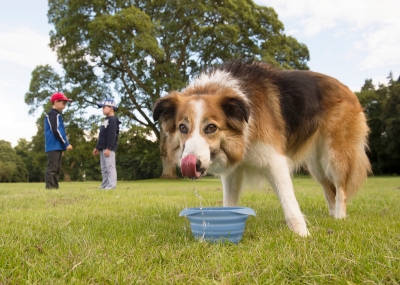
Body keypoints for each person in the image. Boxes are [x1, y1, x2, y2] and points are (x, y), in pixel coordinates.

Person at [44, 92, 73, 189]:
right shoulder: (53, 114)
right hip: (53, 145)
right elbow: (56, 130)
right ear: (56, 102)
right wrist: (65, 144)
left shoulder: (57, 115)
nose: (65, 106)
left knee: (57, 168)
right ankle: (50, 188)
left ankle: (55, 187)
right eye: (63, 103)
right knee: (52, 168)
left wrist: (62, 148)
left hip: (58, 146)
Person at [93, 98, 121, 190]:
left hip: (108, 148)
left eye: (104, 107)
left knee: (110, 167)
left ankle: (111, 186)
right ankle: (105, 185)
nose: (102, 109)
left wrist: (109, 148)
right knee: (104, 169)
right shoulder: (105, 120)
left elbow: (112, 135)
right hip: (102, 148)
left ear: (111, 108)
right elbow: (102, 135)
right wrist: (97, 147)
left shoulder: (113, 120)